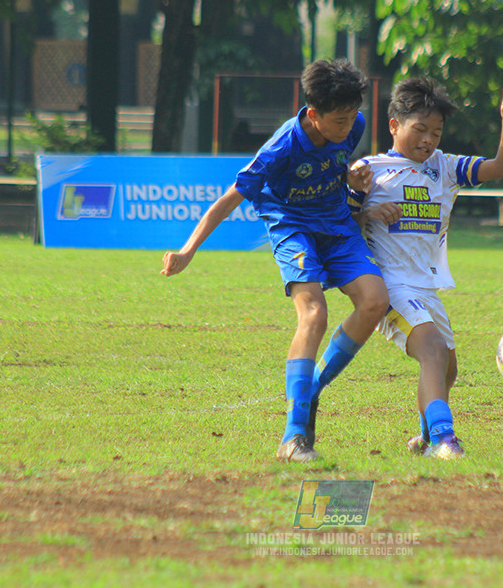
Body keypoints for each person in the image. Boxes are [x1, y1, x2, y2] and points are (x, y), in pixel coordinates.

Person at [161, 58, 389, 463]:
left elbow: (335, 169)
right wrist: (187, 250)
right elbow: (229, 199)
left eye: (353, 115)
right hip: (293, 228)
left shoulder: (353, 125)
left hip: (336, 225)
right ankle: (293, 437)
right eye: (338, 119)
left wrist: (351, 181)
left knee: (374, 300)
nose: (348, 126)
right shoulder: (281, 147)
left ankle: (310, 388)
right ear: (313, 114)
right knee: (313, 315)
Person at [349, 77, 503, 459]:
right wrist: (365, 208)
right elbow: (340, 228)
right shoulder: (368, 170)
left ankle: (425, 438)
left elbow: (502, 167)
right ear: (394, 125)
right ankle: (446, 440)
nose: (429, 139)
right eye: (420, 129)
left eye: (436, 131)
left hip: (426, 288)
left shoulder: (444, 167)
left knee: (447, 368)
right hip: (390, 287)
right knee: (432, 351)